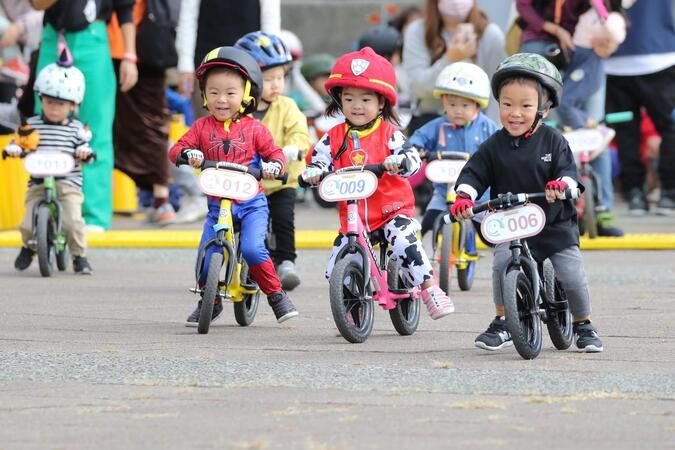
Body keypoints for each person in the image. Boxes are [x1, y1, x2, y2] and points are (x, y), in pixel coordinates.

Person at [450, 53, 603, 353]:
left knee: (571, 273)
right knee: (500, 266)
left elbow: (569, 173)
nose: (515, 113)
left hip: (554, 223)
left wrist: (561, 186)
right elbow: (474, 172)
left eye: (525, 106)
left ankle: (584, 323)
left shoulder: (553, 141)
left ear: (543, 108)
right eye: (507, 105)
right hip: (512, 222)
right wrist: (465, 195)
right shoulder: (494, 145)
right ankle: (503, 321)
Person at [301, 47, 455, 320]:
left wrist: (403, 162)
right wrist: (313, 172)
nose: (357, 106)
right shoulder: (334, 136)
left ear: (381, 103)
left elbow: (411, 158)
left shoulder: (389, 134)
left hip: (391, 211)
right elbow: (318, 160)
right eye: (349, 98)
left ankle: (430, 289)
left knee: (406, 243)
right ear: (339, 101)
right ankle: (351, 306)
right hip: (354, 219)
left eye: (365, 99)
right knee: (336, 262)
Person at [168, 46, 298, 325]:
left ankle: (276, 296)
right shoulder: (202, 128)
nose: (222, 100)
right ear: (204, 95)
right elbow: (177, 147)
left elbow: (274, 154)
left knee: (253, 249)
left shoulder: (255, 129)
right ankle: (210, 301)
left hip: (251, 204)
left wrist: (274, 166)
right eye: (213, 92)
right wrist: (187, 154)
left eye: (230, 93)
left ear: (247, 94)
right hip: (217, 207)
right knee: (206, 256)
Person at [31, 0, 138, 231]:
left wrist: (130, 56)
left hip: (94, 37)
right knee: (44, 126)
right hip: (54, 37)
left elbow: (125, 8)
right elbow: (37, 4)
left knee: (95, 129)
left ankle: (94, 216)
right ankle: (44, 206)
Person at [235, 30, 312, 291]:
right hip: (245, 181)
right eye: (268, 79)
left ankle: (287, 262)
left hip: (281, 179)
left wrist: (293, 148)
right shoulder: (237, 110)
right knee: (235, 221)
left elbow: (301, 134)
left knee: (282, 218)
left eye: (280, 77)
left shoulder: (287, 106)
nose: (276, 84)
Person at [5, 55, 94, 274]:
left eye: (61, 103)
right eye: (49, 101)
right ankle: (28, 246)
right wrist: (14, 148)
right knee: (26, 222)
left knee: (73, 221)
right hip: (38, 181)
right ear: (41, 99)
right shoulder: (32, 125)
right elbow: (20, 140)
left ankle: (79, 256)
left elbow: (86, 146)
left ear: (73, 105)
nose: (54, 108)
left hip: (68, 183)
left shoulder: (76, 128)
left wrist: (84, 152)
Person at [108, 0, 180, 226]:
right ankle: (158, 198)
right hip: (115, 43)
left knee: (152, 122)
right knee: (113, 126)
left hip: (139, 45)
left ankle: (161, 198)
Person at [406, 62, 499, 238]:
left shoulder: (487, 127)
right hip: (444, 193)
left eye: (465, 106)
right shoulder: (438, 126)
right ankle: (428, 258)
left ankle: (504, 261)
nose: (457, 111)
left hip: (480, 197)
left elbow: (501, 146)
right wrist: (415, 148)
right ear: (443, 101)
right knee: (428, 225)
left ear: (477, 105)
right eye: (452, 104)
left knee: (494, 235)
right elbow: (419, 138)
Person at [605, 0, 675, 215]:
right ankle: (667, 193)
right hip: (656, 54)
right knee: (668, 127)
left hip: (620, 61)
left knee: (627, 131)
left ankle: (636, 192)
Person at [402, 0, 506, 131]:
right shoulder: (417, 31)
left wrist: (492, 133)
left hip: (478, 123)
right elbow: (417, 88)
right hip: (431, 121)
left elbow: (499, 89)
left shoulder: (491, 34)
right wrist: (450, 59)